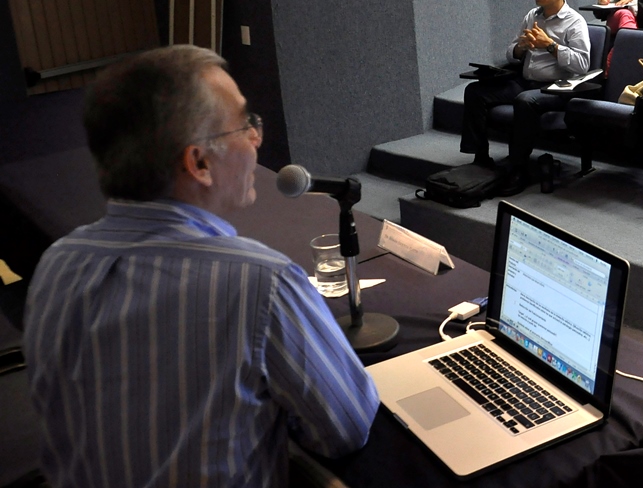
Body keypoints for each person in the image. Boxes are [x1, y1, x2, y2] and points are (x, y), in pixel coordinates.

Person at [23, 45, 379, 487]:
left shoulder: (57, 262)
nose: (257, 139)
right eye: (245, 125)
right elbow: (344, 430)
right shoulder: (259, 282)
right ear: (199, 163)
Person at [461, 0, 589, 194]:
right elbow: (510, 53)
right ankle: (480, 157)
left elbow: (582, 64)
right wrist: (521, 47)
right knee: (474, 91)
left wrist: (550, 46)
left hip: (556, 89)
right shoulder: (532, 16)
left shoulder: (574, 22)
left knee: (525, 101)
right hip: (524, 82)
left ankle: (517, 168)